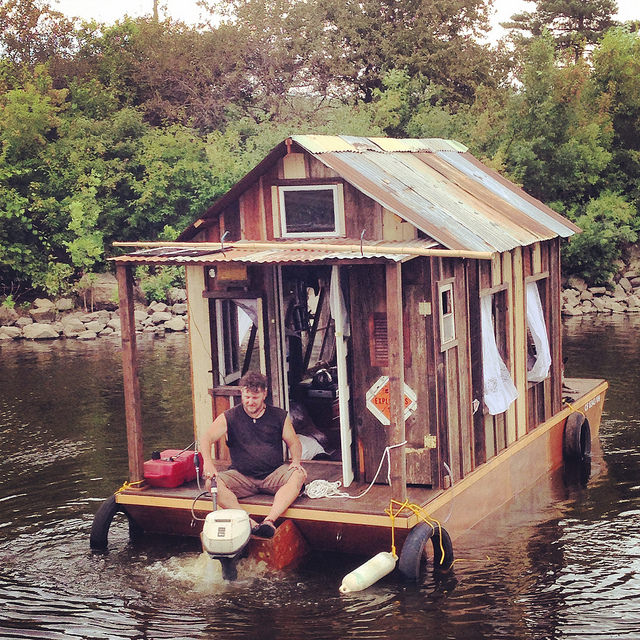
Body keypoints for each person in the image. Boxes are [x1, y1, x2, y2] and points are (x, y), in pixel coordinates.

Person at [200, 371, 307, 538]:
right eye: (246, 396)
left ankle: (269, 521)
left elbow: (294, 442)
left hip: (273, 475)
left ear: (264, 394)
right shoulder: (230, 416)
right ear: (242, 393)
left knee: (298, 475)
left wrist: (296, 461)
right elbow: (206, 438)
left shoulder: (279, 415)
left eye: (255, 398)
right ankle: (248, 522)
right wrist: (208, 462)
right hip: (241, 477)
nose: (250, 402)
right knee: (211, 484)